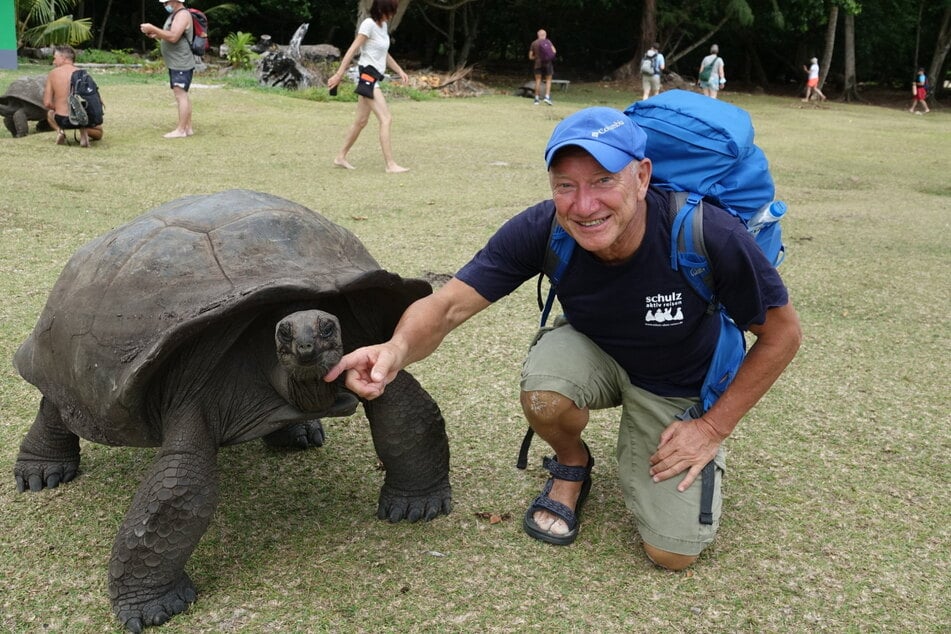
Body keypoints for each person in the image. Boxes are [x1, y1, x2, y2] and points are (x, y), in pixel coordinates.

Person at [324, 107, 802, 570]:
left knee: (673, 553)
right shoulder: (543, 228)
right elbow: (447, 306)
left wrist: (711, 429)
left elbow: (782, 335)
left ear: (642, 176)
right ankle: (573, 462)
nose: (584, 205)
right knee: (546, 393)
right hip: (595, 350)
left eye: (603, 181)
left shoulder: (704, 233)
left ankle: (666, 443)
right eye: (565, 186)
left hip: (677, 380)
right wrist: (395, 349)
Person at [327, 0, 410, 173]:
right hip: (367, 76)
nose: (392, 15)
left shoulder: (383, 27)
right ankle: (390, 165)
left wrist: (400, 70)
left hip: (375, 77)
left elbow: (384, 53)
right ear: (382, 10)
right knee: (386, 119)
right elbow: (352, 50)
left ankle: (340, 157)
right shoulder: (368, 25)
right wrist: (339, 74)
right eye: (391, 11)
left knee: (361, 121)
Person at [140, 0, 196, 138]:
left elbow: (173, 36)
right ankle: (187, 127)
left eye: (166, 2)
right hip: (175, 62)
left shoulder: (182, 15)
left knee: (180, 95)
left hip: (181, 62)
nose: (164, 5)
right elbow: (170, 34)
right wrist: (157, 34)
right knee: (182, 94)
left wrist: (153, 28)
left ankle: (181, 130)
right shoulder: (175, 14)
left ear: (175, 1)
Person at [43, 45, 103, 147]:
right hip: (85, 120)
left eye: (55, 58)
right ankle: (83, 133)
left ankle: (60, 132)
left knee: (50, 113)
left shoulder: (53, 74)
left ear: (63, 58)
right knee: (99, 132)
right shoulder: (83, 73)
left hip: (63, 120)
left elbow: (47, 103)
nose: (53, 62)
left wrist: (59, 108)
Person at [528, 29, 556, 106]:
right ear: (545, 35)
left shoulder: (534, 43)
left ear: (538, 35)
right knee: (548, 80)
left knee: (538, 80)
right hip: (548, 64)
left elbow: (530, 57)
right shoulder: (548, 42)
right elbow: (554, 51)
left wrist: (536, 57)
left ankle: (536, 99)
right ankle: (547, 97)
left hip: (538, 64)